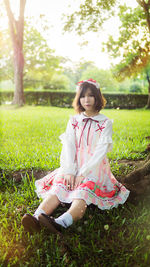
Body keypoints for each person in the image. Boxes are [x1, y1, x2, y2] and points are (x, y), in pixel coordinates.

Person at [22, 78, 130, 234]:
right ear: (78, 98)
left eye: (91, 95)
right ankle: (37, 217)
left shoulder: (105, 122)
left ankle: (60, 223)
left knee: (83, 193)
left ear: (97, 97)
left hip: (94, 169)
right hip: (74, 164)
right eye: (83, 96)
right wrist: (69, 170)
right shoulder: (74, 120)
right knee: (59, 187)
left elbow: (100, 151)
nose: (86, 99)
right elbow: (69, 146)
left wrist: (83, 173)